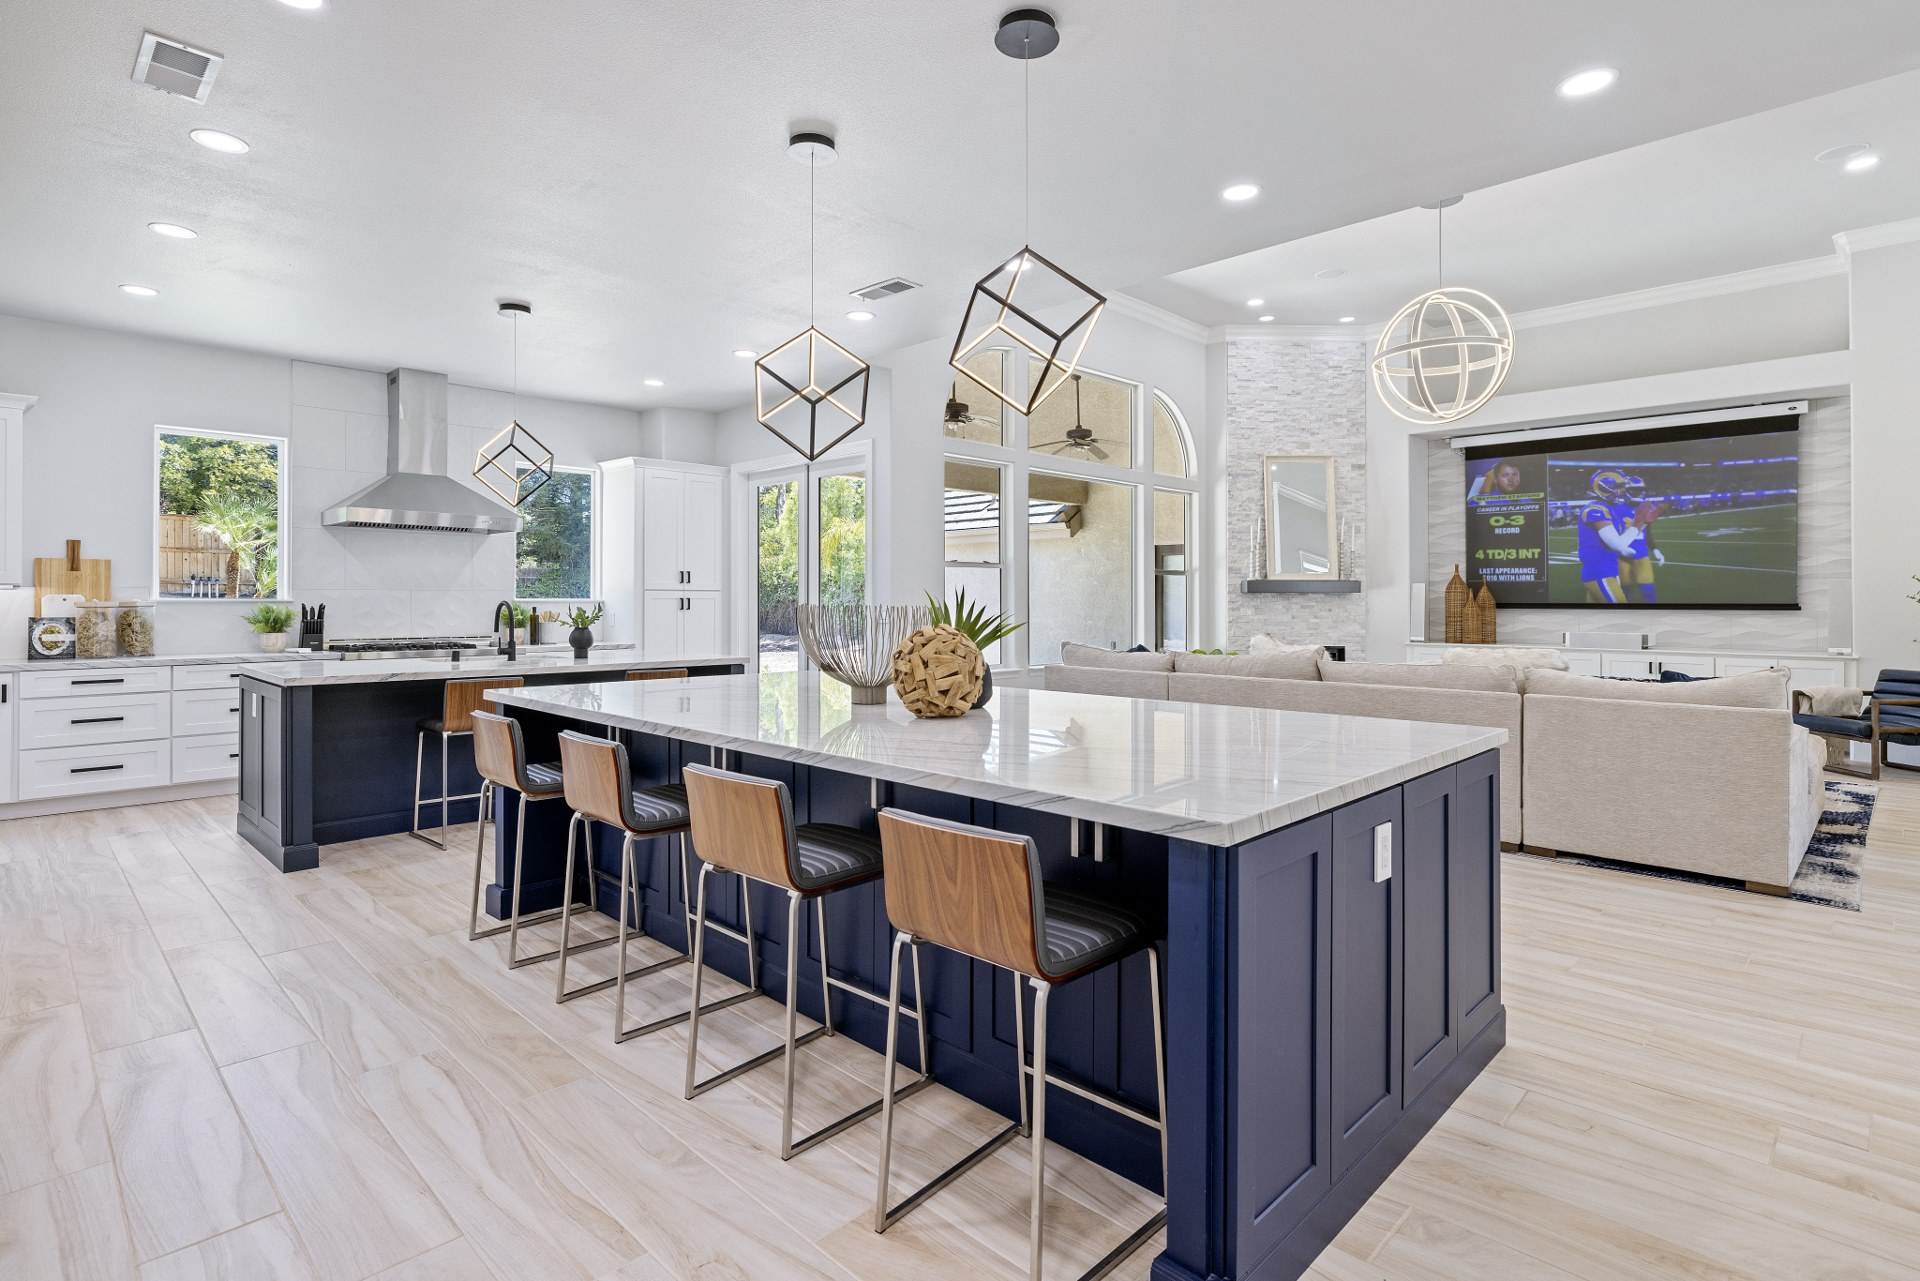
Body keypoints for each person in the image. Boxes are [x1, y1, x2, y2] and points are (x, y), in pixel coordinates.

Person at [1576, 470, 1647, 604]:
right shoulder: (1595, 509)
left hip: (1608, 570)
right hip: (1601, 573)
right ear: (1604, 487)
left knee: (1594, 620)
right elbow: (1617, 544)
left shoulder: (1608, 509)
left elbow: (1621, 541)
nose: (1623, 490)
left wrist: (1642, 524)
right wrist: (1637, 525)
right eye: (1618, 487)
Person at [1612, 475, 1667, 603]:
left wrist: (1655, 550)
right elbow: (1611, 536)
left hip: (1642, 555)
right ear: (1626, 491)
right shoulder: (1615, 509)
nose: (1638, 493)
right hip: (1622, 557)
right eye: (1634, 490)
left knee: (1649, 592)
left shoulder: (1646, 508)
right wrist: (1620, 549)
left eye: (1640, 490)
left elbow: (1648, 532)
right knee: (1624, 593)